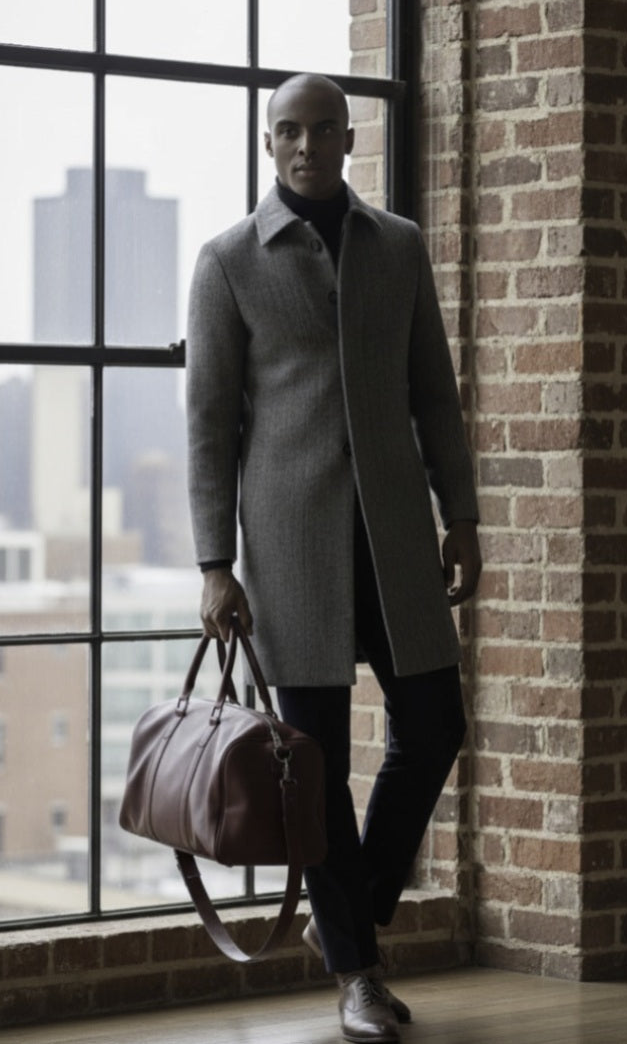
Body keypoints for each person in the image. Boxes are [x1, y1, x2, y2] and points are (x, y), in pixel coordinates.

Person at [186, 73, 481, 1044]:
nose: (304, 145)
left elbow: (433, 393)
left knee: (434, 722)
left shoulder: (396, 245)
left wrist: (461, 516)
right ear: (266, 144)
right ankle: (356, 973)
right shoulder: (227, 260)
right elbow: (208, 426)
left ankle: (346, 901)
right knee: (313, 773)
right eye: (286, 131)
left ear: (347, 138)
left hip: (394, 536)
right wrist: (211, 564)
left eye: (320, 129)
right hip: (287, 547)